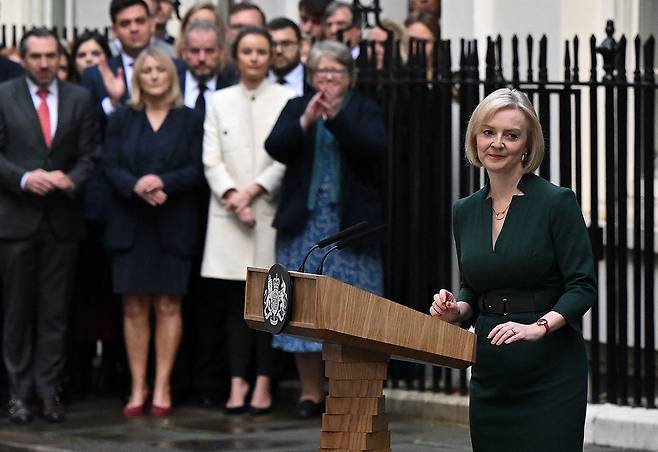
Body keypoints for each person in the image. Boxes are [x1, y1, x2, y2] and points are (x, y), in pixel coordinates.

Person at [429, 88, 596, 452]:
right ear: (475, 137)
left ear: (527, 145)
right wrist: (456, 308)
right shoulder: (465, 210)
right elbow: (472, 286)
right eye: (488, 132)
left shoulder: (557, 202)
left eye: (511, 135)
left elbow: (582, 286)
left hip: (549, 366)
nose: (497, 143)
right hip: (492, 368)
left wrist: (540, 327)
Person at [265, 40, 386, 419]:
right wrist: (307, 121)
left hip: (349, 226)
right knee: (303, 306)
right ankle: (310, 392)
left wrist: (336, 118)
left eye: (336, 73)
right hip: (304, 221)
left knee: (352, 309)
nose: (328, 80)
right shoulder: (296, 106)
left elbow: (373, 150)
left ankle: (348, 391)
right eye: (321, 72)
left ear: (349, 78)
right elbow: (276, 146)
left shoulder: (364, 109)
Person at [0, 27, 100, 424]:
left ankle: (48, 392)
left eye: (50, 56)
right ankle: (18, 393)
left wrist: (71, 179)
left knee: (55, 313)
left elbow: (92, 153)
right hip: (16, 220)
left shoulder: (80, 99)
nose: (44, 63)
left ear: (60, 58)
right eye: (36, 56)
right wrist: (24, 178)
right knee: (17, 311)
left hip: (62, 220)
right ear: (23, 59)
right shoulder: (4, 97)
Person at [102, 46, 203, 417]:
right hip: (131, 220)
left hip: (173, 219)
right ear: (137, 78)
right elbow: (108, 164)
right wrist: (137, 184)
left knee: (168, 303)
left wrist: (163, 181)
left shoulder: (189, 119)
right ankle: (137, 386)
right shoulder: (121, 119)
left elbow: (196, 168)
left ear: (172, 75)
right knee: (133, 305)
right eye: (147, 71)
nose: (155, 76)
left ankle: (162, 385)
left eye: (161, 69)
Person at [201, 26, 295, 415]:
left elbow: (285, 156)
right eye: (247, 51)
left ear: (271, 56)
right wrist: (232, 197)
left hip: (268, 211)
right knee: (234, 306)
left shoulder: (288, 97)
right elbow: (211, 158)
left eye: (262, 51)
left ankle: (263, 382)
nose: (254, 58)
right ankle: (237, 382)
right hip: (227, 216)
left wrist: (253, 191)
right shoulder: (218, 100)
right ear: (235, 57)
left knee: (269, 301)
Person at [178, 19, 231, 407]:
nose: (201, 58)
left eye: (209, 51)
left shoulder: (231, 86)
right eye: (194, 51)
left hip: (225, 212)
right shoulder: (165, 81)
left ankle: (214, 384)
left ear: (220, 52)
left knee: (219, 304)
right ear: (183, 52)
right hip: (175, 211)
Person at [267, 17, 311, 96]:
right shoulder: (254, 80)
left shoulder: (314, 80)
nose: (278, 50)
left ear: (300, 46)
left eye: (286, 44)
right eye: (272, 44)